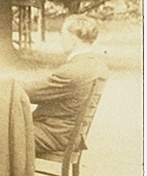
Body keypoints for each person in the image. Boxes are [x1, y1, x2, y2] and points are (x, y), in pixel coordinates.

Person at [21, 14, 110, 156]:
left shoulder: (72, 71)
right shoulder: (97, 65)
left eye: (62, 34)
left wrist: (2, 85)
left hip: (55, 134)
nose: (60, 38)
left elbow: (30, 92)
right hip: (68, 133)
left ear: (73, 39)